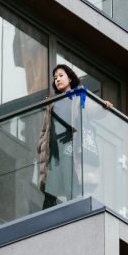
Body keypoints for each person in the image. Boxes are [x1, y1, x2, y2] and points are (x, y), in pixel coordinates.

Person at [37, 64, 108, 210]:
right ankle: (47, 211)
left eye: (61, 75)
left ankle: (72, 207)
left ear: (70, 78)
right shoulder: (52, 102)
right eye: (55, 78)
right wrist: (41, 144)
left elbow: (93, 110)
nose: (57, 79)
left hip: (70, 142)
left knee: (69, 174)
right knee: (52, 180)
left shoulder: (78, 96)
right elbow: (45, 128)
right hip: (54, 145)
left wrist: (104, 106)